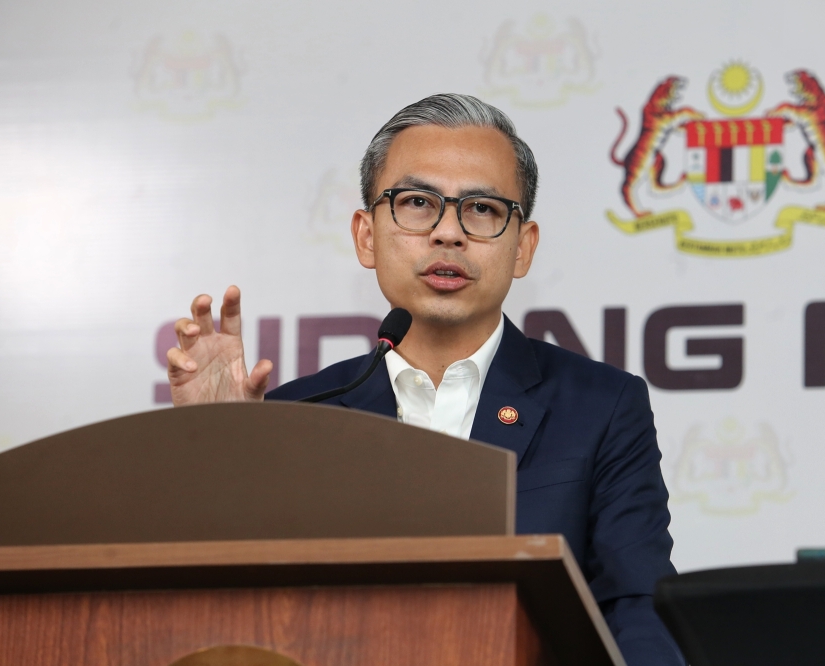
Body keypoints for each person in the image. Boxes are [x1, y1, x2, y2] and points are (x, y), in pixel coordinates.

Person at [166, 94, 684, 666]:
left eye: (482, 209)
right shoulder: (295, 415)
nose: (447, 233)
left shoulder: (602, 406)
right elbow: (231, 612)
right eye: (416, 203)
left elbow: (636, 610)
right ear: (366, 235)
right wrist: (215, 452)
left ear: (523, 247)